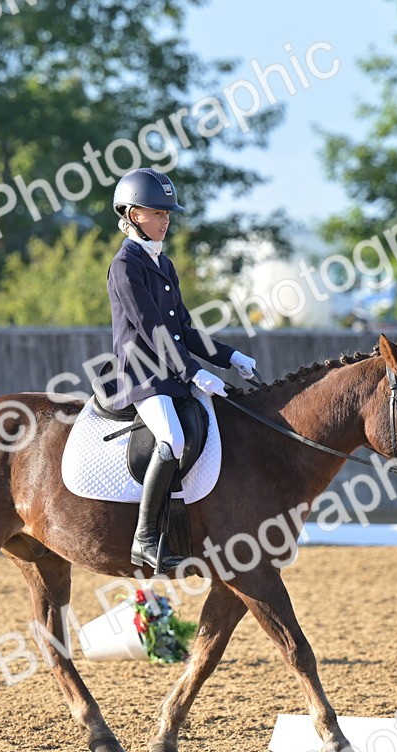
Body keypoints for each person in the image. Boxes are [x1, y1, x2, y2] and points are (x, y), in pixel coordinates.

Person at [105, 167, 257, 575]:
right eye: (158, 213)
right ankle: (145, 538)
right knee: (170, 438)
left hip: (170, 372)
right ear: (134, 214)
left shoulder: (163, 263)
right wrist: (192, 373)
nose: (166, 220)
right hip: (141, 375)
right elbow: (152, 329)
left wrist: (229, 357)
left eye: (169, 214)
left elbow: (182, 329)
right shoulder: (125, 267)